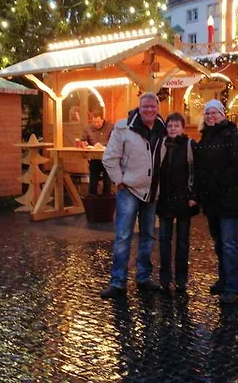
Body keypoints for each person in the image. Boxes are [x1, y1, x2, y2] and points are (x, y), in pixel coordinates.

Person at [100, 93, 167, 299]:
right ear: (139, 108)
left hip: (151, 191)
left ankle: (143, 277)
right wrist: (119, 180)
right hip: (129, 190)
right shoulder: (123, 128)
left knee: (148, 236)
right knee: (123, 236)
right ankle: (118, 282)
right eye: (145, 106)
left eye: (152, 107)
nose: (149, 110)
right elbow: (109, 158)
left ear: (157, 108)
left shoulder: (163, 129)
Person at [194, 99, 238, 305]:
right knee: (219, 243)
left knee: (229, 243)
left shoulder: (232, 136)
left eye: (214, 113)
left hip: (230, 199)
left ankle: (232, 287)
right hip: (212, 200)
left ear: (222, 115)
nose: (211, 117)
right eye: (208, 113)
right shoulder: (205, 137)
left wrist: (219, 182)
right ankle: (224, 279)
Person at [156, 112, 198, 294]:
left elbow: (196, 172)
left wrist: (194, 196)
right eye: (170, 125)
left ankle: (181, 279)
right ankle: (164, 279)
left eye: (176, 126)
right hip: (165, 199)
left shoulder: (189, 145)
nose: (173, 129)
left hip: (183, 200)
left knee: (182, 242)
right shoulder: (161, 145)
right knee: (164, 241)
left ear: (182, 128)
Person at [81, 108, 114, 195]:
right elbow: (83, 139)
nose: (96, 124)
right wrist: (84, 143)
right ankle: (92, 198)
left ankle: (107, 198)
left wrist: (102, 145)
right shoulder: (87, 128)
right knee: (93, 180)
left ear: (102, 119)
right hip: (94, 158)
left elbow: (114, 141)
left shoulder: (111, 127)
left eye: (98, 122)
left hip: (108, 158)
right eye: (94, 122)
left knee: (107, 181)